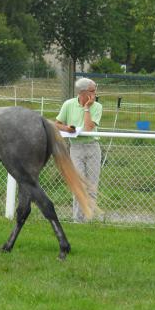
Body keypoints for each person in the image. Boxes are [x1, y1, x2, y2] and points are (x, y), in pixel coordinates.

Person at [55, 77, 103, 222]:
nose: (95, 94)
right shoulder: (68, 104)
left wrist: (87, 108)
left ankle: (90, 220)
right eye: (92, 91)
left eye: (95, 91)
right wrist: (68, 129)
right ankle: (78, 220)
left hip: (93, 148)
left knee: (92, 186)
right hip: (75, 148)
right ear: (83, 92)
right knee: (79, 185)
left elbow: (89, 128)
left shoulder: (97, 107)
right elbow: (57, 124)